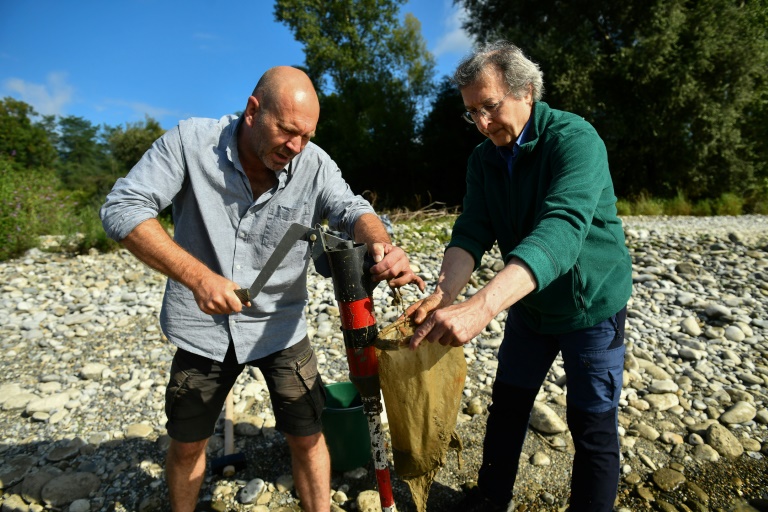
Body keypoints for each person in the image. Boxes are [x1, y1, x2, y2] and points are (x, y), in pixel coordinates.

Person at [100, 66, 425, 512]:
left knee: (309, 439)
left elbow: (351, 209)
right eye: (288, 131)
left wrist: (380, 242)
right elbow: (123, 207)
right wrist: (198, 278)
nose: (295, 148)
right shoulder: (190, 142)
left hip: (280, 327)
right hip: (202, 329)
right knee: (188, 446)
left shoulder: (313, 163)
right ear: (253, 111)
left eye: (306, 136)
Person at [407, 41, 633, 512]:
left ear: (526, 92)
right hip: (529, 305)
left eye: (489, 107)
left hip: (589, 306)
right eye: (472, 113)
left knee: (592, 423)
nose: (482, 123)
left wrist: (483, 306)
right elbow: (471, 231)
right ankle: (490, 499)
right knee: (507, 405)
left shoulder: (575, 140)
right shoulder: (483, 160)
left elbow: (561, 231)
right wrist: (444, 293)